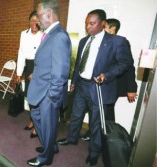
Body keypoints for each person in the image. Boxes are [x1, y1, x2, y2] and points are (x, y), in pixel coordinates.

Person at [57, 9, 133, 166]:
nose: (88, 27)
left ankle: (93, 153)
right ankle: (72, 138)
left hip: (99, 88)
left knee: (96, 123)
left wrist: (108, 74)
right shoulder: (85, 41)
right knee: (76, 115)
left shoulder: (117, 41)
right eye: (86, 23)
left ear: (103, 23)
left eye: (92, 23)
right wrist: (74, 81)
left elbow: (125, 63)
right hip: (81, 86)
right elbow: (79, 63)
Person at [26, 0, 71, 166]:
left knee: (48, 124)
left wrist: (52, 96)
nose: (37, 20)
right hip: (41, 88)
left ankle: (46, 158)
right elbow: (47, 61)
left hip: (48, 93)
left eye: (38, 16)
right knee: (37, 118)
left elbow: (60, 71)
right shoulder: (50, 33)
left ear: (49, 14)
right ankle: (50, 146)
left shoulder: (59, 35)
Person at [80, 18, 138, 142]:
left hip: (113, 85)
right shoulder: (98, 41)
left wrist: (131, 88)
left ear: (112, 28)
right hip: (98, 84)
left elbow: (129, 66)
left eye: (104, 27)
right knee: (94, 110)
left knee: (107, 114)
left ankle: (108, 140)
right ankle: (93, 133)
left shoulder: (120, 42)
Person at [16, 10, 43, 139]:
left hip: (40, 67)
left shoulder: (44, 35)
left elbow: (45, 57)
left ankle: (37, 126)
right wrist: (19, 72)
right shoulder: (24, 34)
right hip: (28, 67)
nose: (34, 22)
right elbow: (21, 53)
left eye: (37, 20)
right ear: (29, 21)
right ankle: (32, 120)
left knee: (37, 98)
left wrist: (36, 71)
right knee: (30, 97)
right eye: (32, 20)